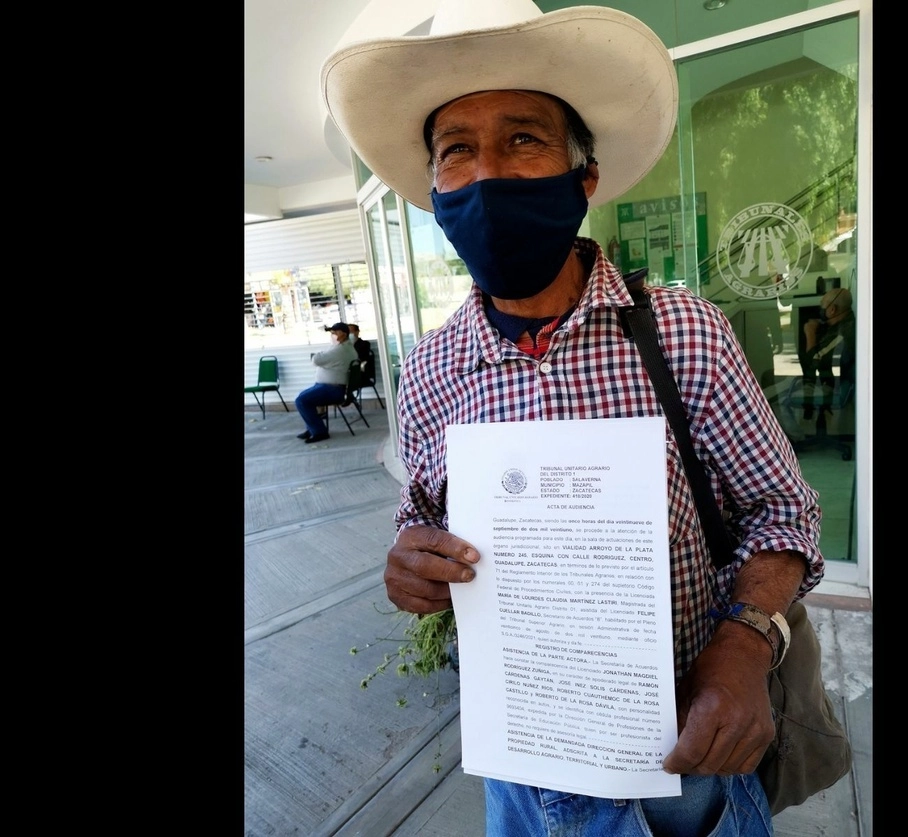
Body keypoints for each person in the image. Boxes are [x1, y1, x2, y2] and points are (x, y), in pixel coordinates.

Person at [322, 1, 824, 834]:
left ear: (582, 179)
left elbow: (782, 511)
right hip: (517, 767)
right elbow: (421, 517)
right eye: (456, 151)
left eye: (523, 139)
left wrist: (744, 642)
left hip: (679, 764)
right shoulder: (433, 368)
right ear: (435, 195)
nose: (487, 174)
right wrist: (410, 564)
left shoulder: (682, 332)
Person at [293, 321, 358, 443]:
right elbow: (324, 358)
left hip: (332, 389)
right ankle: (312, 428)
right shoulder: (344, 347)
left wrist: (321, 355)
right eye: (331, 333)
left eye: (335, 333)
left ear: (343, 334)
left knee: (302, 401)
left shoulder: (340, 350)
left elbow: (316, 360)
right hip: (330, 387)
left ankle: (319, 432)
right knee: (303, 396)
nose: (332, 335)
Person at [799, 287, 855, 421]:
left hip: (826, 385)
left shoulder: (843, 333)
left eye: (822, 306)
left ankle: (785, 433)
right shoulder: (840, 325)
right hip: (824, 380)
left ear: (832, 310)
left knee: (767, 387)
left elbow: (814, 363)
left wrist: (810, 333)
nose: (820, 310)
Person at [348, 323, 376, 390]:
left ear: (357, 332)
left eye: (351, 331)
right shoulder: (345, 345)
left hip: (361, 373)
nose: (349, 334)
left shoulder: (365, 344)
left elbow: (362, 358)